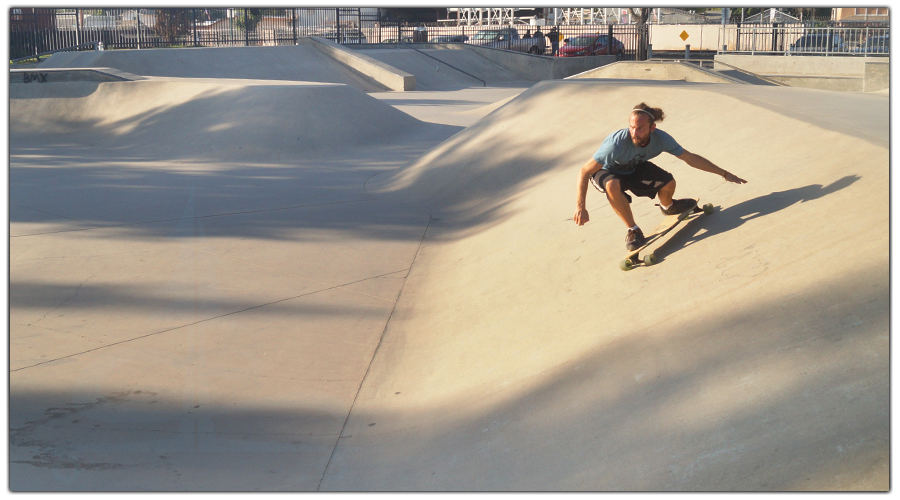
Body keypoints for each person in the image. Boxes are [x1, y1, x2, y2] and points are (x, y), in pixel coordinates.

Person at [573, 103, 747, 251]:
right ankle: (633, 230)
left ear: (652, 128)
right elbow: (584, 171)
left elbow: (690, 158)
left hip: (634, 166)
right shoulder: (615, 144)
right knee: (612, 185)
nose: (634, 133)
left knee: (669, 183)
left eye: (640, 128)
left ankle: (668, 206)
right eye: (632, 127)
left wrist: (724, 173)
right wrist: (581, 206)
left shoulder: (662, 139)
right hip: (605, 171)